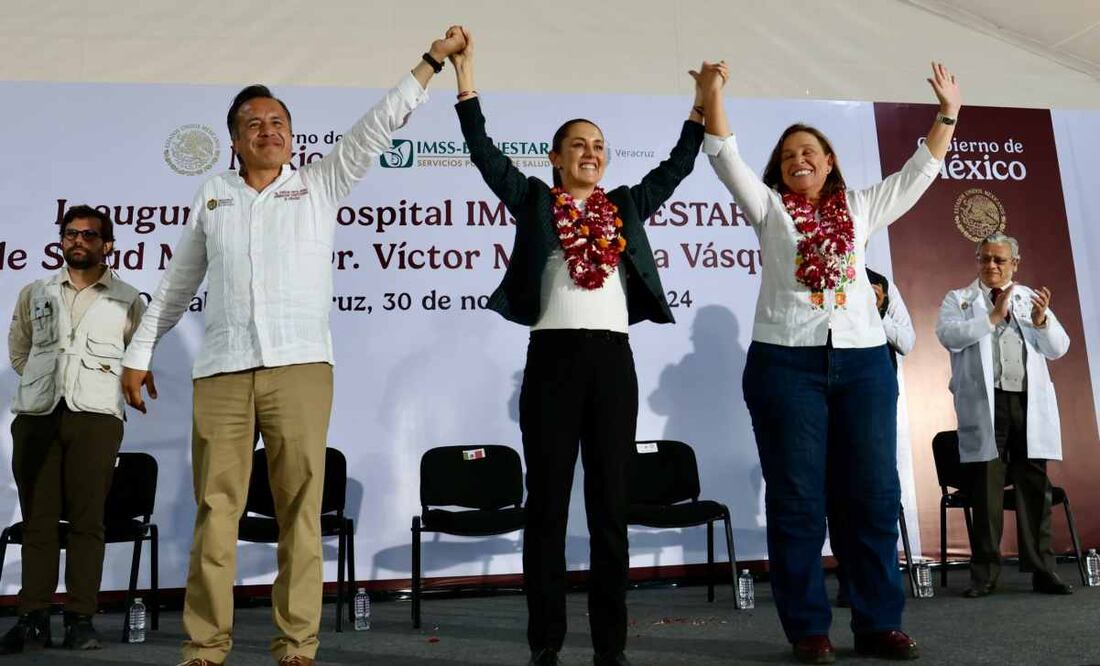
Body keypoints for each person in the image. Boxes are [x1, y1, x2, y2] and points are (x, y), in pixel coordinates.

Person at [119, 28, 467, 666]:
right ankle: (205, 643)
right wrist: (138, 354)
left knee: (300, 511)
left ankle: (296, 641)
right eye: (253, 122)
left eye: (277, 120)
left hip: (300, 368)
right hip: (222, 371)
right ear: (235, 140)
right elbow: (174, 287)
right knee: (215, 511)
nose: (267, 129)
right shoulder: (214, 196)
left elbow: (376, 125)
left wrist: (430, 64)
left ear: (292, 135)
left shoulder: (319, 186)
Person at [447, 29, 707, 666]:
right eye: (578, 146)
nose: (590, 154)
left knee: (610, 507)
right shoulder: (536, 201)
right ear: (556, 157)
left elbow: (675, 168)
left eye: (598, 147)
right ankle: (545, 643)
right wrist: (466, 78)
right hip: (553, 362)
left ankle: (610, 648)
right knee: (548, 510)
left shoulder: (624, 207)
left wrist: (701, 107)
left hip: (612, 363)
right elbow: (484, 154)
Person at [698, 62, 961, 663]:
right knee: (797, 501)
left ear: (831, 161)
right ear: (780, 169)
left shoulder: (861, 207)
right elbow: (723, 156)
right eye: (789, 154)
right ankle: (809, 630)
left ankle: (876, 623)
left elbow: (921, 170)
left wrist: (948, 112)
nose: (799, 160)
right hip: (786, 367)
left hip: (865, 367)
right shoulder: (769, 210)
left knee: (870, 496)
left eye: (810, 151)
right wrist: (713, 94)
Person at [2, 205, 145, 653]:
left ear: (106, 245)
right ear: (61, 241)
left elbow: (137, 359)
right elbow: (21, 350)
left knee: (87, 523)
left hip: (97, 417)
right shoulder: (35, 291)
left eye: (89, 235)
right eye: (70, 234)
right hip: (38, 416)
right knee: (39, 524)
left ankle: (81, 619)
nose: (78, 241)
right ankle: (33, 618)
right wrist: (45, 384)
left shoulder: (128, 298)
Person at [935, 232, 1072, 598]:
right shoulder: (960, 299)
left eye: (999, 260)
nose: (991, 266)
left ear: (1015, 264)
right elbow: (948, 335)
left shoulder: (1030, 299)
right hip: (987, 404)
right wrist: (992, 318)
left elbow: (1058, 348)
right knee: (986, 491)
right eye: (985, 259)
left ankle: (1043, 570)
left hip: (1026, 403)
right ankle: (985, 575)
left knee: (1034, 489)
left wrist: (1042, 323)